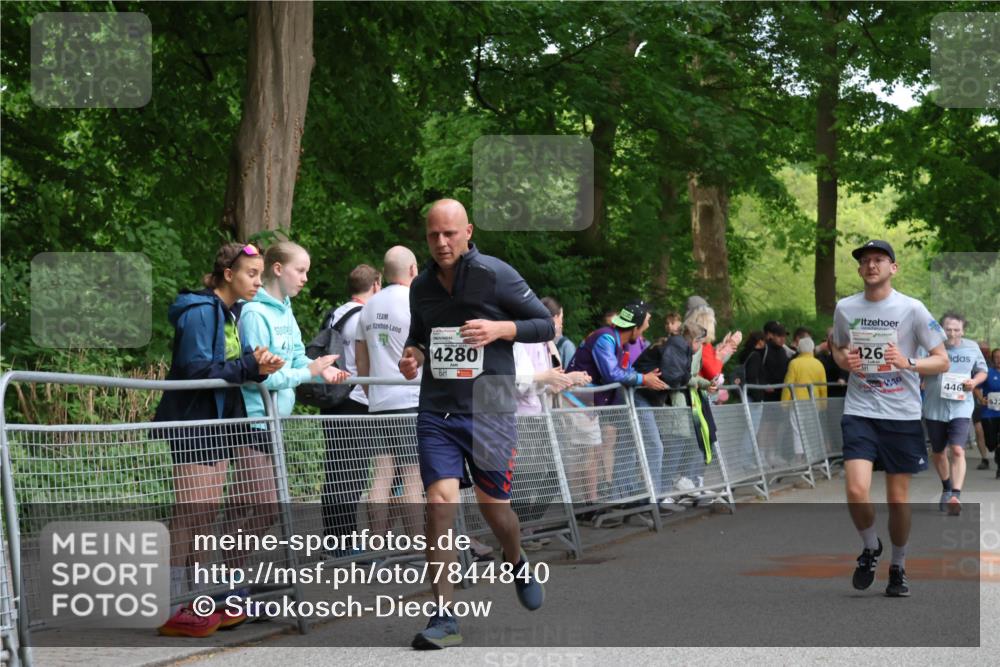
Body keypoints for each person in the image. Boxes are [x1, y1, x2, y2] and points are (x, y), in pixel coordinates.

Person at [399, 198, 554, 649]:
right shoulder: (421, 286)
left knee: (494, 509)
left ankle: (516, 557)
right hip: (438, 409)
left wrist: (499, 329)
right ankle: (445, 617)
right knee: (438, 506)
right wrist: (413, 356)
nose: (442, 243)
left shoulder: (495, 274)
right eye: (433, 235)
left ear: (468, 231)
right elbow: (419, 337)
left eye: (450, 233)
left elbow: (543, 324)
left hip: (490, 407)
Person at [154, 242, 285, 637]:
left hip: (222, 423)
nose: (258, 282)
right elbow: (195, 367)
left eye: (260, 274)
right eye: (251, 274)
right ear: (228, 275)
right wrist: (248, 365)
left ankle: (202, 599)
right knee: (190, 513)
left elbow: (234, 367)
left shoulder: (234, 314)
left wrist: (260, 368)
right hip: (193, 422)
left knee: (207, 514)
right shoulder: (199, 311)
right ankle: (175, 604)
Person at [831, 239, 948, 598]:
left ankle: (898, 566)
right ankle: (870, 547)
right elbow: (837, 347)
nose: (871, 266)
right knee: (855, 489)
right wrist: (843, 360)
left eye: (879, 260)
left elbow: (941, 359)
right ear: (859, 269)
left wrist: (907, 362)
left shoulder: (912, 309)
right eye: (865, 261)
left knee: (898, 499)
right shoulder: (845, 307)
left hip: (901, 414)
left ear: (892, 268)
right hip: (861, 410)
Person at [239, 242, 348, 555]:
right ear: (277, 269)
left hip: (274, 422)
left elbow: (297, 355)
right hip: (252, 422)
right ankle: (227, 581)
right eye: (300, 271)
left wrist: (319, 372)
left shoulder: (285, 308)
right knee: (266, 507)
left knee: (245, 507)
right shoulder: (254, 315)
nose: (304, 279)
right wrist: (307, 372)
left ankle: (227, 582)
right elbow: (263, 374)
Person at [354, 247, 423, 539]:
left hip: (379, 401)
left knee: (381, 474)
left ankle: (377, 543)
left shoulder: (368, 306)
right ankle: (417, 543)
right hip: (409, 399)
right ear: (412, 270)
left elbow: (361, 360)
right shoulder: (415, 301)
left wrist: (373, 393)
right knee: (412, 475)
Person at [566, 301, 668, 500]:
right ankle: (582, 506)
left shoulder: (615, 341)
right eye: (644, 326)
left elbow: (622, 370)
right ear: (634, 328)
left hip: (585, 403)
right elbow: (612, 374)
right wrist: (643, 379)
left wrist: (643, 376)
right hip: (575, 400)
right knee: (585, 456)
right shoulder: (605, 338)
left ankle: (589, 505)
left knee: (590, 454)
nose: (644, 332)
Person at [318, 264, 380, 550]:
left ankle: (334, 539)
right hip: (355, 400)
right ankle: (346, 541)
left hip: (333, 399)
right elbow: (365, 361)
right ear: (376, 285)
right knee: (352, 474)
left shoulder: (335, 314)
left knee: (336, 471)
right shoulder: (363, 318)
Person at [633, 320, 704, 510]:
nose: (701, 348)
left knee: (635, 449)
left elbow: (678, 374)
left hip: (646, 397)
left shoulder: (678, 345)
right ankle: (655, 498)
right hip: (638, 396)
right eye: (701, 343)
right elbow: (674, 376)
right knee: (654, 447)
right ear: (694, 340)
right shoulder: (677, 346)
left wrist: (689, 379)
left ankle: (634, 496)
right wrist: (688, 380)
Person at [921, 313, 988, 515]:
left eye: (956, 329)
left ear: (963, 330)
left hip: (961, 406)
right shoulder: (930, 346)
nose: (952, 333)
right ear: (941, 329)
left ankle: (955, 495)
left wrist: (974, 382)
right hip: (934, 407)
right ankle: (946, 486)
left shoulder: (971, 347)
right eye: (948, 329)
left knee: (957, 449)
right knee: (939, 451)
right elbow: (916, 368)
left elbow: (982, 370)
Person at [781, 337, 828, 460]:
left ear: (799, 349)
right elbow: (823, 386)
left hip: (798, 401)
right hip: (814, 401)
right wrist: (823, 403)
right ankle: (813, 455)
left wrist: (784, 402)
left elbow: (788, 384)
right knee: (812, 428)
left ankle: (799, 457)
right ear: (812, 349)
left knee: (797, 429)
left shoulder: (794, 363)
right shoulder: (818, 364)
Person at [974, 348, 1000, 478]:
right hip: (989, 413)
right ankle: (995, 450)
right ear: (992, 359)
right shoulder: (987, 373)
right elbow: (976, 387)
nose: (999, 360)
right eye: (996, 357)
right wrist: (980, 398)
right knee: (991, 443)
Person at [543, 297, 577, 370]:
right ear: (555, 318)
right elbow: (571, 376)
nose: (562, 322)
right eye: (561, 318)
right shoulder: (567, 346)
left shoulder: (531, 341)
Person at [761, 321, 790, 401]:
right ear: (772, 336)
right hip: (767, 394)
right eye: (779, 336)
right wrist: (764, 384)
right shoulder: (764, 349)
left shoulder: (783, 351)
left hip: (781, 393)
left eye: (784, 336)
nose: (782, 339)